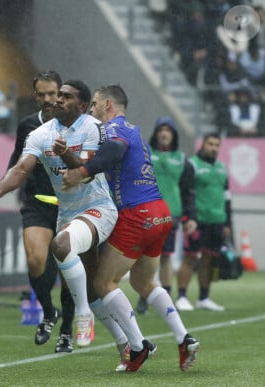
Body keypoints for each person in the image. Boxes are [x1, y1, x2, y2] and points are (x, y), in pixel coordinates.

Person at [0, 80, 131, 361]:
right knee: (95, 286)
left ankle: (82, 315)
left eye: (66, 96)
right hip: (68, 214)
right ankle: (132, 343)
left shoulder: (93, 128)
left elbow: (86, 168)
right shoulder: (40, 133)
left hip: (98, 208)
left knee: (61, 246)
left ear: (82, 107)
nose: (58, 99)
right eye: (58, 95)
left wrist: (66, 154)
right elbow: (22, 168)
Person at [62, 84, 199, 372]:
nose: (92, 109)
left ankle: (138, 346)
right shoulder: (134, 131)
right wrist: (81, 167)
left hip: (137, 214)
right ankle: (183, 338)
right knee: (144, 283)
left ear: (109, 104)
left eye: (96, 104)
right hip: (159, 213)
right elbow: (110, 160)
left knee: (102, 282)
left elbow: (114, 150)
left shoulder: (116, 129)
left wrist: (81, 172)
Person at [6, 70, 76, 353]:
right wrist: (3, 185)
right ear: (35, 96)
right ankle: (49, 312)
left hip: (71, 205)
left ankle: (67, 331)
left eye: (53, 94)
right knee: (36, 261)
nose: (48, 99)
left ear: (62, 93)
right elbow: (18, 160)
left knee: (68, 272)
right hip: (37, 202)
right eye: (42, 94)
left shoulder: (77, 125)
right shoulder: (27, 126)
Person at [135, 117, 197, 314]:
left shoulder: (182, 159)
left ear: (173, 134)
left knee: (166, 257)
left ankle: (166, 298)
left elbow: (188, 191)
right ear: (156, 133)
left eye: (168, 130)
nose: (164, 133)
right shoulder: (145, 153)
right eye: (161, 129)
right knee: (145, 256)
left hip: (171, 214)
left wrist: (190, 217)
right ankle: (144, 296)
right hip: (146, 213)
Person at [176, 133, 231, 312]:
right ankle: (182, 296)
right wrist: (187, 217)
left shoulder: (222, 168)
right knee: (190, 257)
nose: (214, 148)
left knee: (209, 259)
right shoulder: (192, 164)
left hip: (217, 220)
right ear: (203, 145)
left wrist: (227, 222)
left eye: (217, 145)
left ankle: (203, 298)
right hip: (197, 220)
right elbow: (185, 192)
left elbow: (227, 197)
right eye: (210, 144)